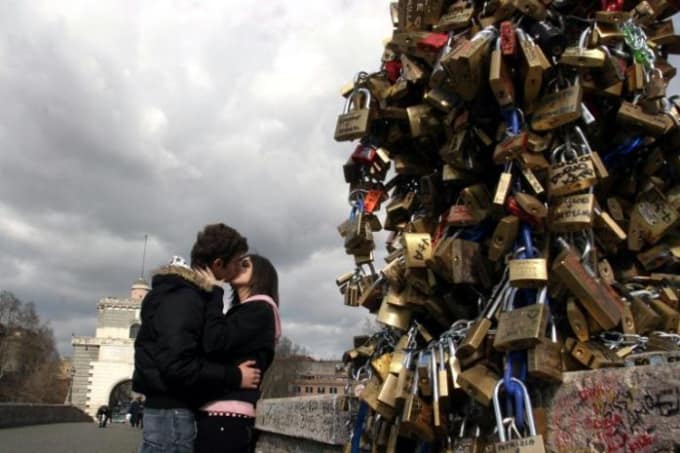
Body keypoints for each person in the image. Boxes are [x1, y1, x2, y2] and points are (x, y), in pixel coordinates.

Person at [133, 223, 262, 453]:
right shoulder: (184, 298)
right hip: (171, 418)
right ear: (218, 264)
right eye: (235, 263)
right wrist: (234, 376)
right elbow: (178, 366)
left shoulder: (180, 294)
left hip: (169, 416)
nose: (237, 270)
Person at [194, 254, 282, 453]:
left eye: (244, 264)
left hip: (226, 417)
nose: (236, 266)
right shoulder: (245, 312)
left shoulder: (260, 309)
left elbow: (214, 342)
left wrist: (214, 290)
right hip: (221, 416)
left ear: (261, 274)